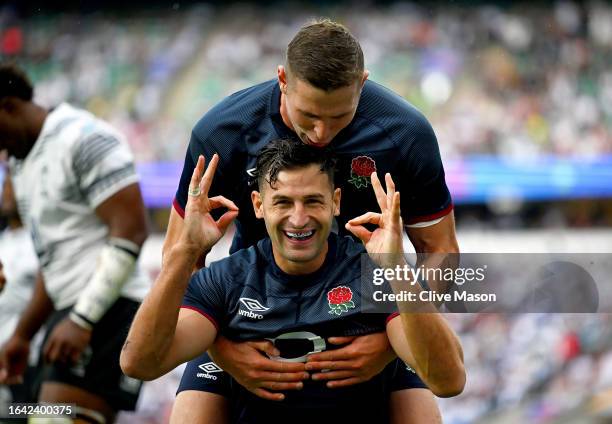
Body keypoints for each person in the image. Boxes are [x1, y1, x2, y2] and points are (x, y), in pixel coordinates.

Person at [164, 18, 460, 415]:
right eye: (308, 115)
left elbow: (440, 248)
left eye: (339, 117)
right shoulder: (224, 132)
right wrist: (221, 347)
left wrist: (395, 343)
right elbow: (180, 251)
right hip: (252, 309)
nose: (321, 133)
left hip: (371, 311)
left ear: (362, 83)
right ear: (283, 79)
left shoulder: (405, 133)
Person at [121, 139, 465, 423]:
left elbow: (449, 381)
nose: (298, 219)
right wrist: (184, 252)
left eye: (312, 201)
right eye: (283, 202)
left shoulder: (375, 275)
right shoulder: (227, 281)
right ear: (258, 205)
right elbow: (140, 363)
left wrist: (396, 266)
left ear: (336, 201)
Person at [0, 63, 149, 424]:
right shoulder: (21, 165)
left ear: (6, 106)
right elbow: (54, 262)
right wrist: (22, 335)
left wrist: (83, 320)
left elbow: (131, 231)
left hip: (111, 310)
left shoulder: (84, 137)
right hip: (68, 314)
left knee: (56, 419)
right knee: (23, 416)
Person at [0, 171, 40, 411]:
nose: (6, 191)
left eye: (12, 186)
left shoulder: (41, 242)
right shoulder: (2, 242)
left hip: (27, 364)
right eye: (5, 185)